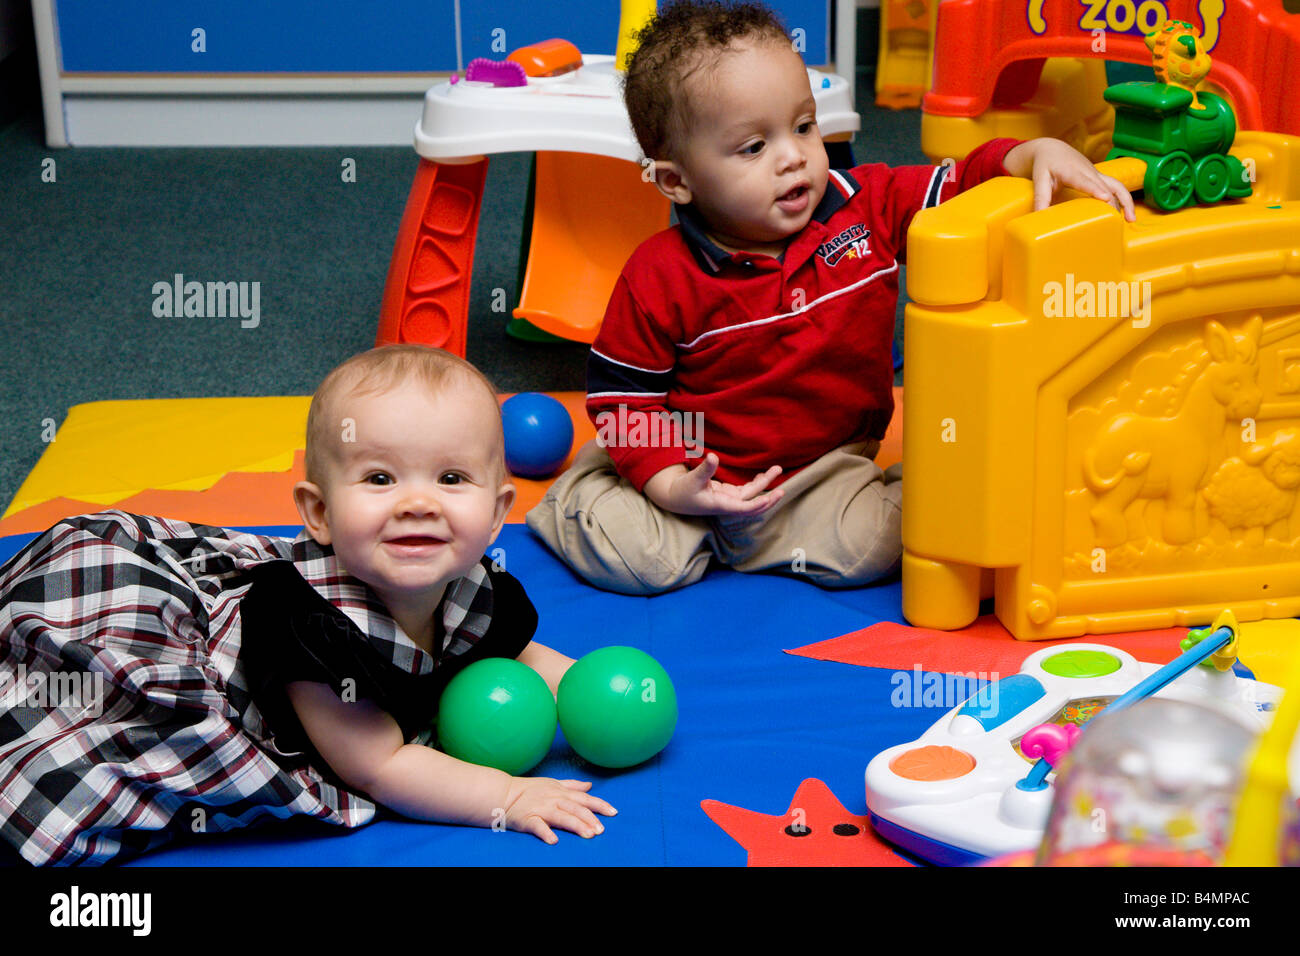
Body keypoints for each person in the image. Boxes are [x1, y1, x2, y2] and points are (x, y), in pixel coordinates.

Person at [526, 0, 1134, 595]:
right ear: (677, 181)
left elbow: (955, 185)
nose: (793, 157)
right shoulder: (657, 275)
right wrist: (668, 484)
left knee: (881, 544)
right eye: (753, 147)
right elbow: (624, 401)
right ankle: (600, 489)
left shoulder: (862, 206)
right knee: (638, 563)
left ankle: (792, 529)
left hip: (818, 472)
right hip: (690, 474)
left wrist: (1028, 154)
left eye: (803, 126)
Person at [0, 345, 614, 865]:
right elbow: (380, 767)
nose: (419, 503)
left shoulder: (476, 584)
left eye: (451, 479)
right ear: (319, 513)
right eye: (380, 479)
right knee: (69, 729)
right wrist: (507, 796)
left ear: (499, 513)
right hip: (226, 692)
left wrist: (591, 692)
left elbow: (520, 651)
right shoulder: (307, 627)